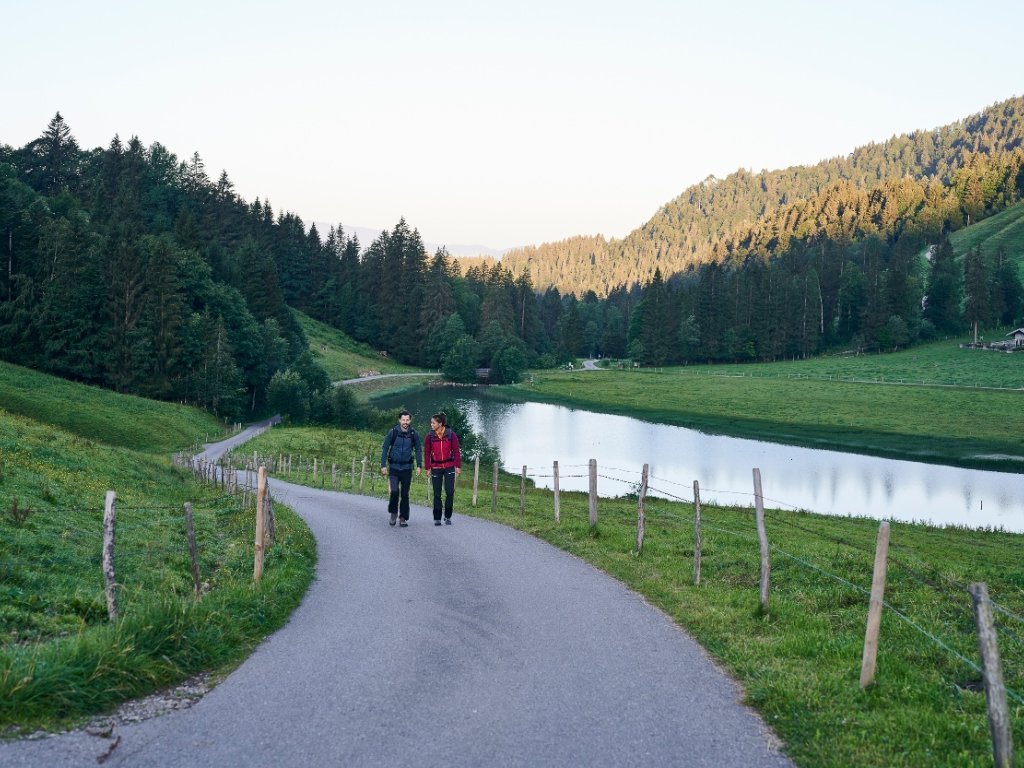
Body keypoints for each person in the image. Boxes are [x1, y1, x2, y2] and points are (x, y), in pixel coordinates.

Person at [380, 410, 422, 527]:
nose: (405, 422)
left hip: (407, 468)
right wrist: (383, 465)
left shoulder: (414, 434)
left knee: (405, 494)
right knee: (394, 491)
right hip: (393, 467)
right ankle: (393, 513)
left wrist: (419, 465)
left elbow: (418, 449)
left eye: (407, 420)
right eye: (403, 420)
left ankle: (403, 517)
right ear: (399, 420)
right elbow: (385, 448)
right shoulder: (392, 432)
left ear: (410, 420)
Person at [423, 411, 461, 526]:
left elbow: (456, 451)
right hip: (435, 467)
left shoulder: (451, 434)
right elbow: (427, 452)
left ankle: (448, 516)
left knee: (450, 492)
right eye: (431, 423)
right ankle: (437, 518)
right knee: (437, 493)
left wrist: (458, 466)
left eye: (433, 423)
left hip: (449, 467)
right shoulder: (430, 436)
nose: (431, 425)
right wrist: (428, 468)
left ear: (440, 424)